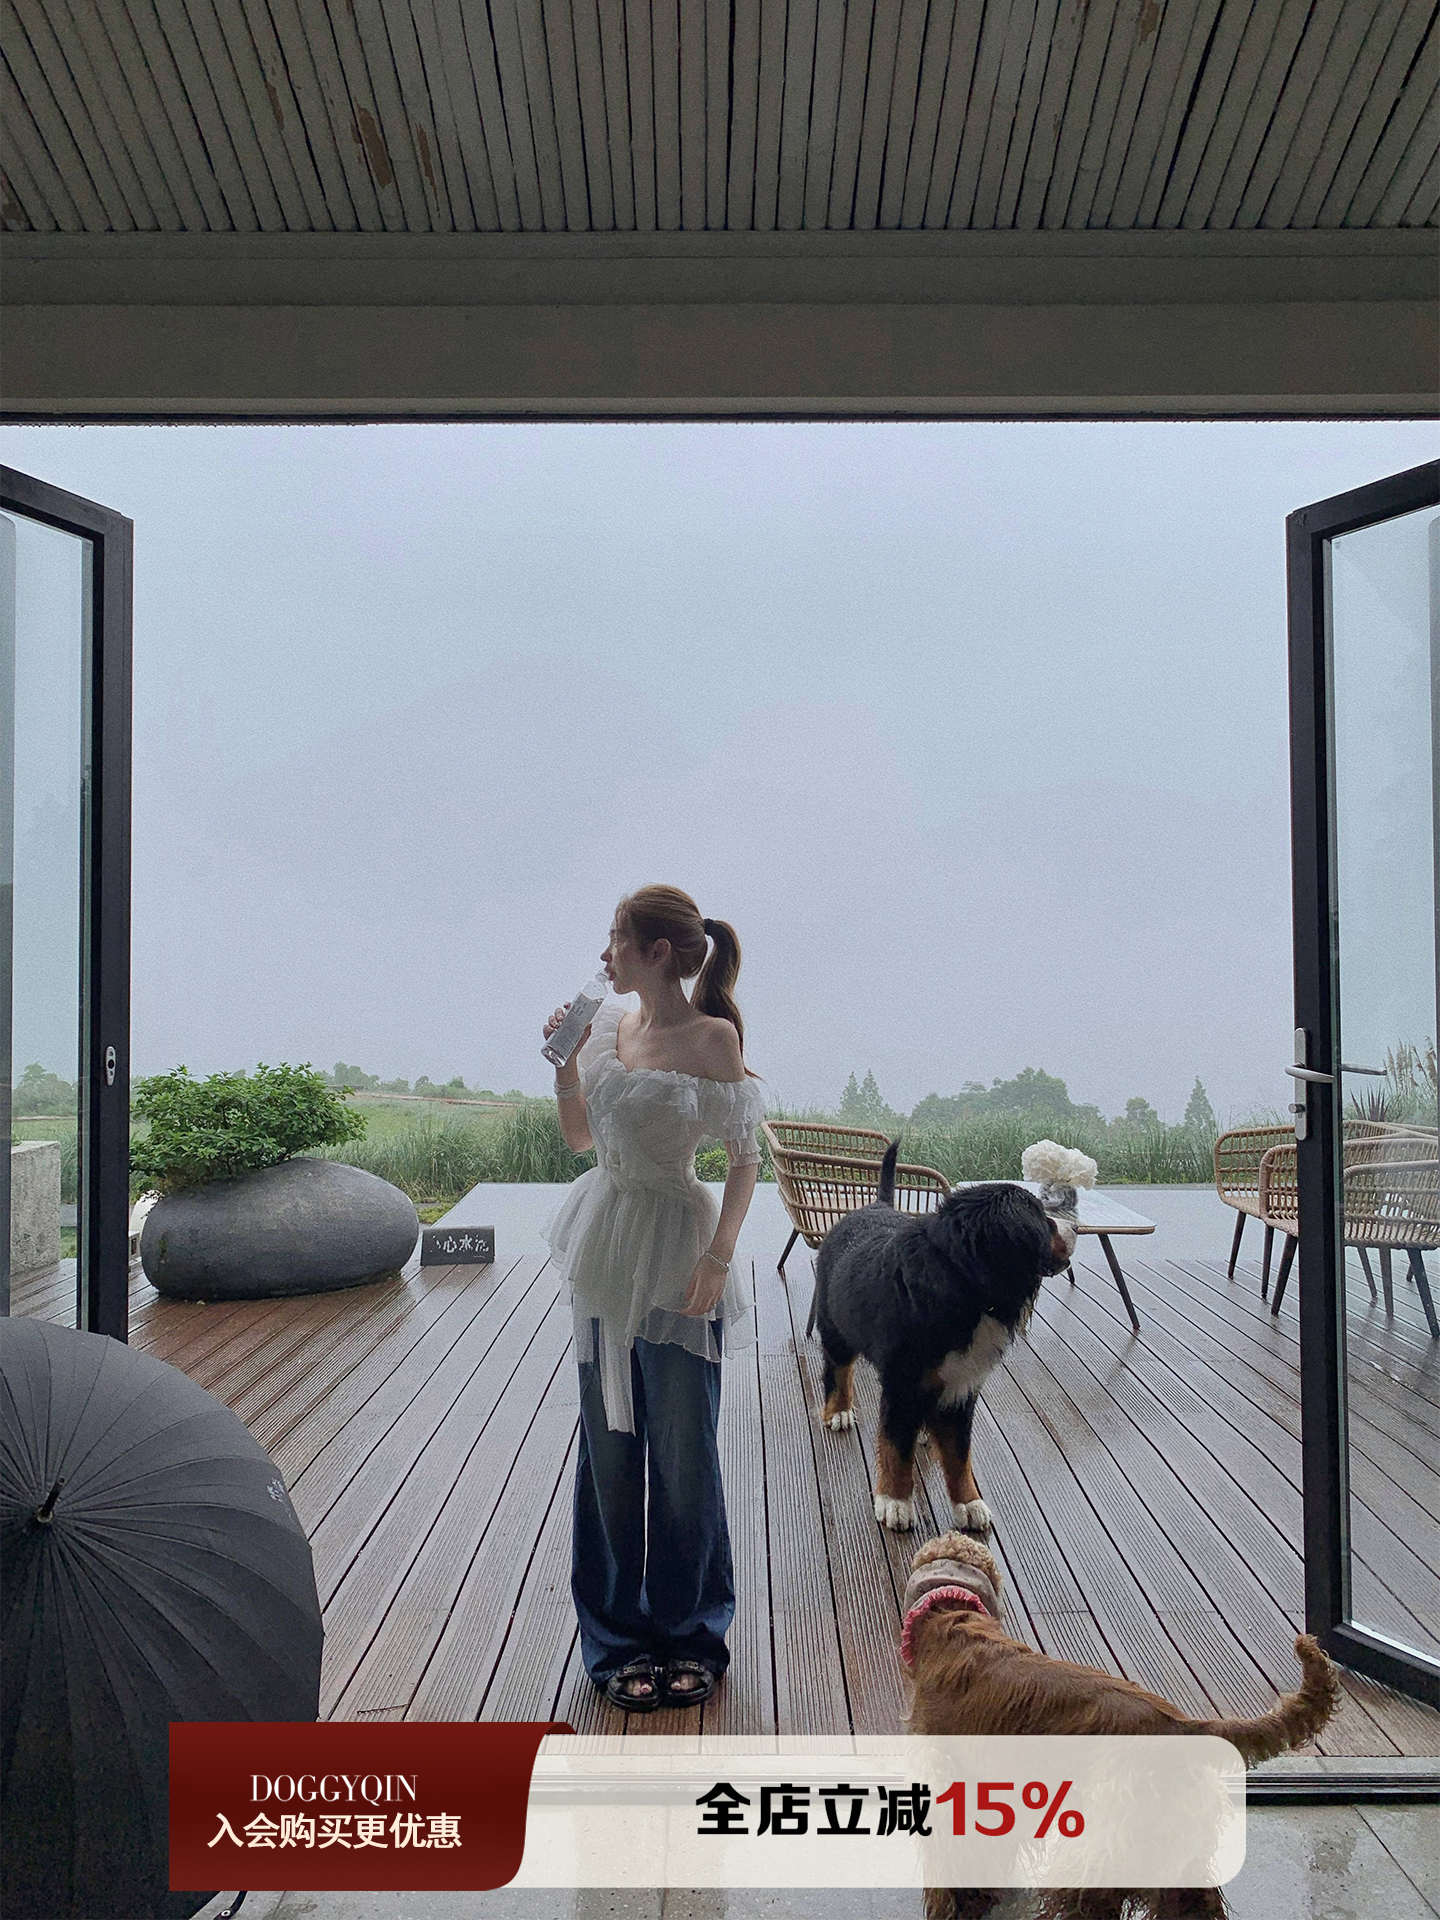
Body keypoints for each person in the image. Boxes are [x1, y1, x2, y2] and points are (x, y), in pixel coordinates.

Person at [542, 885, 765, 1714]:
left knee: (682, 1447)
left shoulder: (711, 1038)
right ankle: (614, 1637)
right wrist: (567, 1065)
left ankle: (690, 1632)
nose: (605, 955)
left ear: (658, 951)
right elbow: (579, 1139)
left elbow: (743, 1158)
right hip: (605, 1240)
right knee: (607, 1445)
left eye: (616, 939)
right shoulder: (607, 1027)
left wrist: (719, 1257)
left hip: (676, 1245)